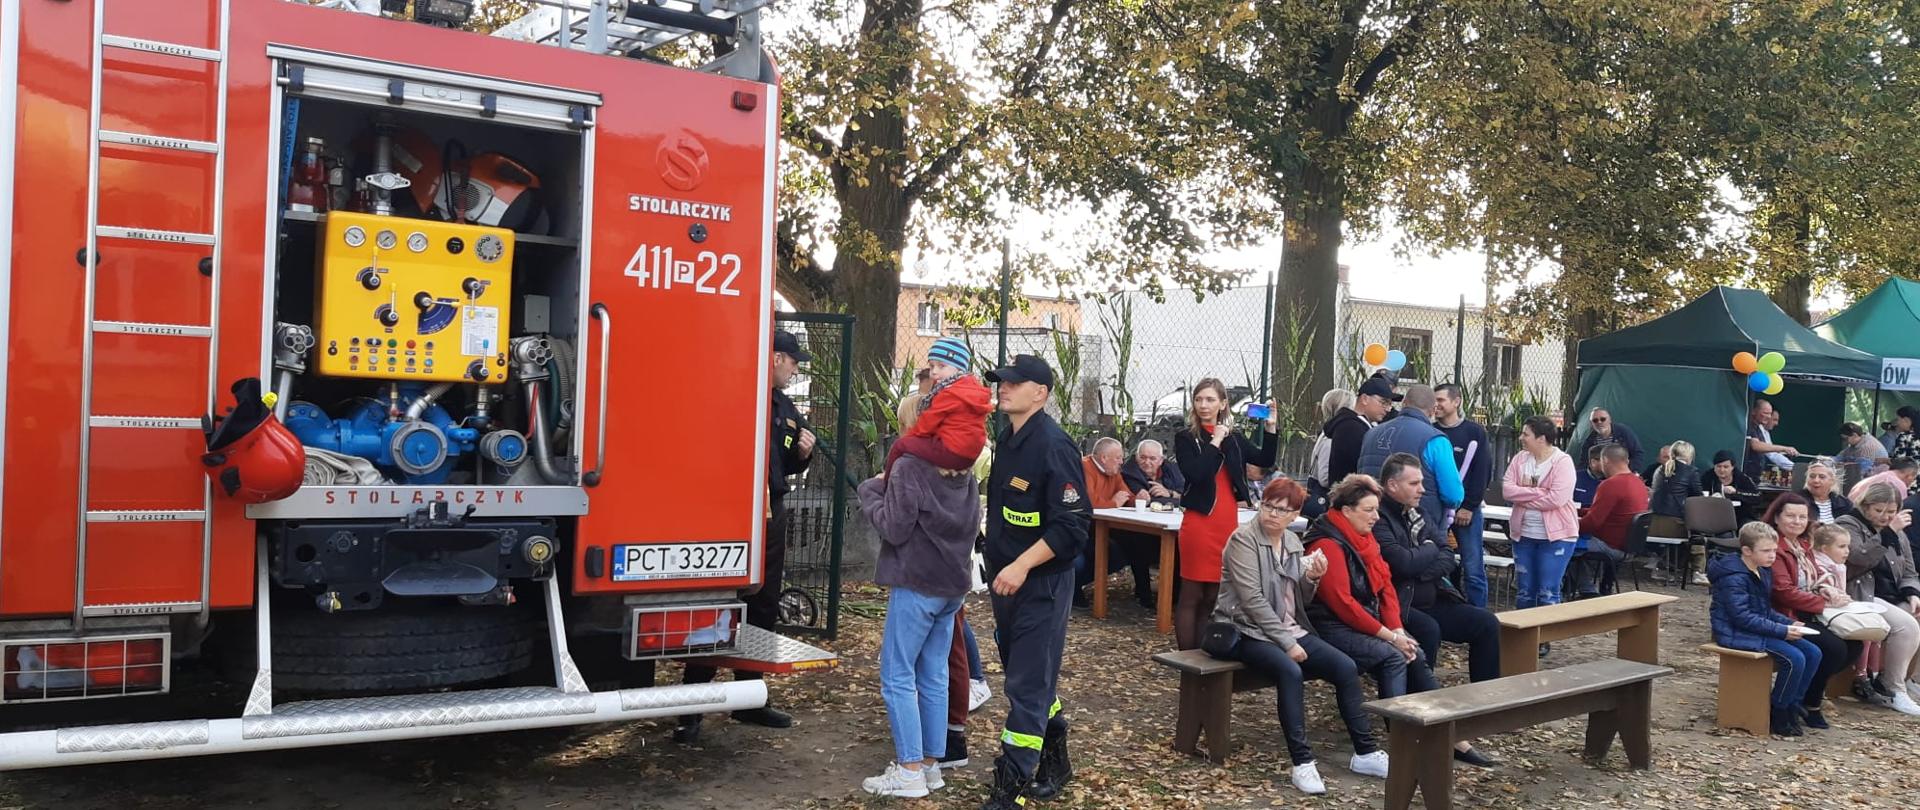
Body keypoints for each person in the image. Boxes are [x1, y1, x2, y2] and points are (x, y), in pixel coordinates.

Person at [676, 330, 815, 743]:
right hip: (725, 512)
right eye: (792, 361)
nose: (795, 368)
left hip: (769, 513)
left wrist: (802, 454)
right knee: (716, 604)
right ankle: (691, 705)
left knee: (763, 604)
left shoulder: (784, 406)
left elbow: (782, 463)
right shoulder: (736, 392)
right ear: (774, 357)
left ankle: (750, 698)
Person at [1213, 477, 1387, 794]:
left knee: (1345, 667)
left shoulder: (1293, 542)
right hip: (1246, 629)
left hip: (1289, 627)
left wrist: (1312, 578)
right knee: (1290, 671)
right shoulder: (1243, 540)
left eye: (1282, 510)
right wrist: (1288, 643)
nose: (1272, 514)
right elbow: (1252, 601)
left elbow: (1299, 598)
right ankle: (1303, 763)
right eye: (1268, 505)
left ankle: (1365, 751)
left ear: (1295, 515)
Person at [1302, 475, 1491, 764]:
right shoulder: (1327, 543)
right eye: (1369, 510)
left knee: (1411, 649)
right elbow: (1342, 604)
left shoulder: (1364, 539)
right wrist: (1390, 637)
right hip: (1328, 626)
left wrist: (1398, 628)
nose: (1376, 517)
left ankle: (1445, 733)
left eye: (1377, 509)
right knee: (1394, 655)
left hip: (1364, 619)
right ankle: (1404, 737)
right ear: (1346, 511)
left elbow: (1386, 588)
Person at [978, 354, 1090, 809]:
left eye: (1014, 383)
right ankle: (1056, 756)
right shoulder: (1007, 438)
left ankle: (1012, 785)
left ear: (1040, 394)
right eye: (1002, 381)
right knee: (1030, 676)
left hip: (1040, 584)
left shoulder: (1053, 445)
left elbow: (1072, 526)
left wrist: (1023, 564)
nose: (1003, 388)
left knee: (1026, 684)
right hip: (1006, 583)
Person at [855, 424, 983, 796]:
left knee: (897, 674)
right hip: (952, 585)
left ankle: (909, 768)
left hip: (917, 583)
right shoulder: (965, 472)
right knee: (933, 673)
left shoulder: (910, 466)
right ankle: (930, 766)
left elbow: (894, 528)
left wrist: (871, 489)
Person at [1373, 455, 1504, 711]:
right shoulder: (1378, 518)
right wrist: (1427, 552)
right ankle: (1419, 708)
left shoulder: (1419, 513)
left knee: (1486, 623)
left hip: (1435, 595)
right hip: (1398, 604)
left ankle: (1487, 702)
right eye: (1414, 483)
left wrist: (1421, 564)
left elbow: (1448, 555)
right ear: (1392, 485)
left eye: (1421, 482)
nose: (1422, 489)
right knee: (1428, 630)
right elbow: (1401, 564)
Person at [1172, 378, 1279, 650]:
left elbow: (1265, 460)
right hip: (1199, 522)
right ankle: (1187, 657)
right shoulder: (1186, 437)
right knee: (1192, 593)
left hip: (1226, 521)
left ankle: (1202, 651)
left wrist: (1271, 428)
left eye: (1209, 400)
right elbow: (1197, 472)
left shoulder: (1235, 439)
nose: (1203, 405)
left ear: (1222, 404)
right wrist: (1215, 440)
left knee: (1212, 594)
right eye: (1199, 399)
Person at [1708, 522, 1823, 737]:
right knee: (1793, 659)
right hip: (1735, 632)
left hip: (1755, 628)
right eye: (1766, 551)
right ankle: (1778, 708)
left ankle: (1793, 703)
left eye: (1774, 550)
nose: (1772, 556)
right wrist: (1781, 630)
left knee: (1813, 652)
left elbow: (1764, 609)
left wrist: (1788, 623)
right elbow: (1741, 617)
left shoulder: (1762, 570)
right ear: (1747, 551)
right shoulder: (1735, 576)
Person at [1763, 494, 1857, 729]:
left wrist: (1827, 590)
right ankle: (1809, 703)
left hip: (1808, 609)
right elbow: (1782, 591)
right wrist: (1822, 603)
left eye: (1802, 517)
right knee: (1833, 648)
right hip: (1786, 613)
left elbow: (1814, 576)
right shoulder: (1774, 546)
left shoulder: (1803, 545)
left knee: (1856, 644)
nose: (1797, 521)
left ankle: (1808, 696)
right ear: (1776, 517)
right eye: (1791, 516)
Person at [1835, 482, 1920, 715]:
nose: (1884, 516)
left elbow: (1910, 570)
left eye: (1891, 512)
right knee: (1906, 626)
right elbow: (1857, 558)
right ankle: (1894, 689)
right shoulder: (1848, 523)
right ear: (1865, 505)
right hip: (1862, 593)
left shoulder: (1897, 532)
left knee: (1917, 613)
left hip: (1891, 593)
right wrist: (1887, 533)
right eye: (1878, 510)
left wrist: (1912, 592)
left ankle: (1908, 677)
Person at [1355, 384, 1463, 532]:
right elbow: (1453, 495)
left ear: (1404, 404)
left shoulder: (1371, 433)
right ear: (1433, 410)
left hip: (1372, 520)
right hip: (1418, 527)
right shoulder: (1436, 440)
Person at [1502, 416, 1580, 613]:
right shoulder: (1520, 459)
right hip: (1524, 535)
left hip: (1556, 538)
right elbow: (1508, 490)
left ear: (1541, 438)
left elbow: (1557, 499)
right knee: (1525, 590)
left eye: (1526, 434)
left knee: (1548, 590)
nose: (1521, 437)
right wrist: (1540, 492)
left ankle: (1544, 638)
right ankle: (1523, 637)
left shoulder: (1562, 462)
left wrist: (1523, 496)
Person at [885, 338, 992, 475]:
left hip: (951, 452)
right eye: (931, 366)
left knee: (900, 445)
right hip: (971, 455)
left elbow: (928, 422)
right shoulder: (973, 390)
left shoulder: (949, 393)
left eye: (941, 366)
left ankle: (886, 481)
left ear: (959, 369)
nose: (934, 372)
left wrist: (911, 437)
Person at [1434, 383, 1494, 608]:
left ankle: (1480, 615)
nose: (1436, 405)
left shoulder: (1474, 432)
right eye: (1434, 400)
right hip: (1438, 510)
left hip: (1467, 510)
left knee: (1473, 566)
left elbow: (1482, 471)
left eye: (1441, 400)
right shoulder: (1431, 430)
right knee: (1438, 562)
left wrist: (1469, 505)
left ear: (1456, 401)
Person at [1577, 445, 1649, 597]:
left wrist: (1564, 524)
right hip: (1629, 546)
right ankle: (1591, 588)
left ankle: (1587, 591)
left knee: (1562, 543)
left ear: (1605, 461)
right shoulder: (1639, 483)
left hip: (1609, 545)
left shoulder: (1610, 485)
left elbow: (1592, 523)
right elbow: (1609, 512)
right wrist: (1576, 511)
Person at [1074, 437, 1137, 607]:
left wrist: (1140, 499)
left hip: (1099, 528)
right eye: (1118, 458)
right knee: (1079, 560)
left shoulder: (1113, 472)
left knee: (1121, 554)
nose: (1121, 462)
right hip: (1078, 528)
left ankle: (1076, 586)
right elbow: (1089, 502)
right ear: (1103, 458)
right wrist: (1113, 503)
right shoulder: (1085, 467)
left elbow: (1126, 495)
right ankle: (1072, 589)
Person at [1327, 377, 1398, 487]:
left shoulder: (1357, 424)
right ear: (1365, 399)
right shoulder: (1351, 428)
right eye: (1383, 402)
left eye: (1389, 404)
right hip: (1350, 497)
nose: (1388, 409)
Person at [1649, 440, 1702, 536]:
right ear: (1689, 455)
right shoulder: (1691, 471)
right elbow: (1698, 499)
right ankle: (1698, 549)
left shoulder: (1658, 469)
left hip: (1652, 522)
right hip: (1675, 524)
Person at [1743, 399, 1799, 480]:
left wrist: (1795, 467)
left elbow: (1772, 453)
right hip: (1746, 474)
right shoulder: (1748, 425)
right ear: (1753, 411)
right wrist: (1784, 448)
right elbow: (1756, 445)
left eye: (1770, 414)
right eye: (1765, 413)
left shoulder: (1759, 428)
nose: (1768, 416)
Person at [1121, 439, 1186, 504]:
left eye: (1152, 458)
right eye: (1143, 457)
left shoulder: (1172, 469)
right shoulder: (1129, 473)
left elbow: (1188, 494)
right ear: (1136, 457)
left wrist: (1170, 493)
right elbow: (1150, 501)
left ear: (1161, 460)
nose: (1147, 462)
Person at [1705, 450, 1762, 524]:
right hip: (1715, 514)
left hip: (1740, 515)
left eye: (1726, 467)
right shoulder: (1707, 477)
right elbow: (1699, 494)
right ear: (1714, 467)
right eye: (1719, 466)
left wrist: (1736, 492)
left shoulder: (1742, 478)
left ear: (1732, 467)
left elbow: (1757, 497)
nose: (1722, 470)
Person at [1579, 408, 1645, 472]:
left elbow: (1637, 454)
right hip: (1600, 477)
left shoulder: (1623, 432)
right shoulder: (1589, 441)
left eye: (1603, 419)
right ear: (1591, 424)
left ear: (1610, 420)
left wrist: (1629, 471)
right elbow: (1584, 463)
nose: (1599, 422)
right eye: (1595, 420)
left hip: (1623, 473)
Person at [1799, 460, 1855, 525]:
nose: (1816, 480)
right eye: (1812, 476)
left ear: (1832, 480)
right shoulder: (1797, 500)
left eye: (1822, 477)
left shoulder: (1845, 504)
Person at [1848, 457, 1918, 504]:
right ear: (1909, 476)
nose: (1913, 482)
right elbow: (1901, 511)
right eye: (1914, 478)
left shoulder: (1873, 478)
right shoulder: (1898, 484)